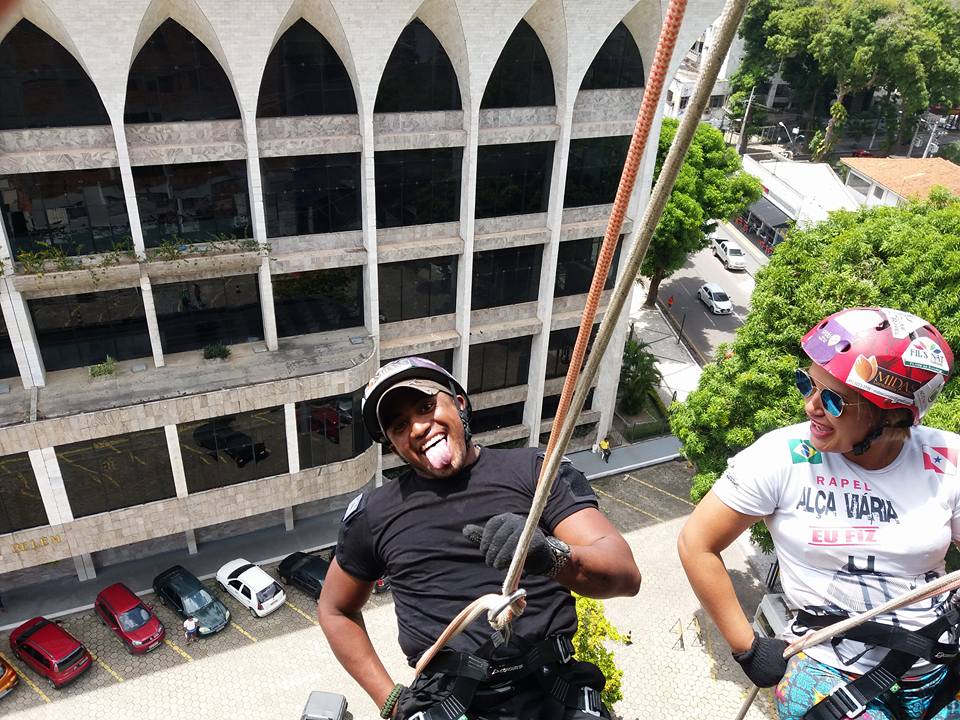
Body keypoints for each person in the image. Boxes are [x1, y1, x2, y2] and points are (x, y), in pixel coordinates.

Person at [318, 356, 641, 720]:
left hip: (551, 693)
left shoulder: (534, 472)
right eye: (399, 425)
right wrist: (390, 701)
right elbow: (335, 609)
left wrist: (549, 556)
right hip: (446, 704)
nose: (418, 427)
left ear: (459, 404)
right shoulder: (374, 514)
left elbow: (625, 575)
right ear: (393, 445)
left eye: (426, 406)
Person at [678, 307, 960, 720]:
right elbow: (697, 542)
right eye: (807, 384)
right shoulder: (781, 458)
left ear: (890, 414)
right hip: (827, 665)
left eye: (833, 400)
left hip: (936, 657)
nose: (810, 406)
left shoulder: (946, 458)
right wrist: (747, 647)